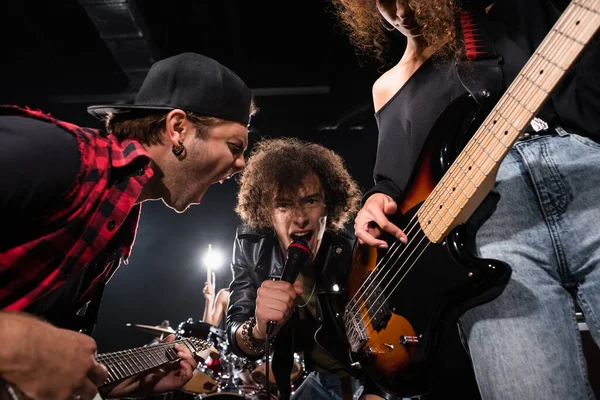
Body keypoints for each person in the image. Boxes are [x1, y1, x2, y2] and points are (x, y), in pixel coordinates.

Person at [329, 0, 600, 399]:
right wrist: (375, 200)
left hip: (582, 171)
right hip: (484, 228)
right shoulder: (386, 86)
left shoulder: (507, 16)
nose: (401, 9)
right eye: (385, 0)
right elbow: (394, 180)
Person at [0, 52, 257, 400]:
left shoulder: (117, 218)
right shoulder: (56, 155)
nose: (241, 164)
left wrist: (116, 383)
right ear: (178, 129)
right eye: (234, 146)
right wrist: (18, 342)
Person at [225, 137, 402, 400]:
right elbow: (235, 328)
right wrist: (259, 330)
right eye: (283, 205)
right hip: (316, 380)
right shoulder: (252, 246)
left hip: (368, 380)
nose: (300, 218)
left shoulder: (356, 248)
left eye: (310, 201)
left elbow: (398, 333)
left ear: (329, 205)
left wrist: (381, 392)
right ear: (266, 213)